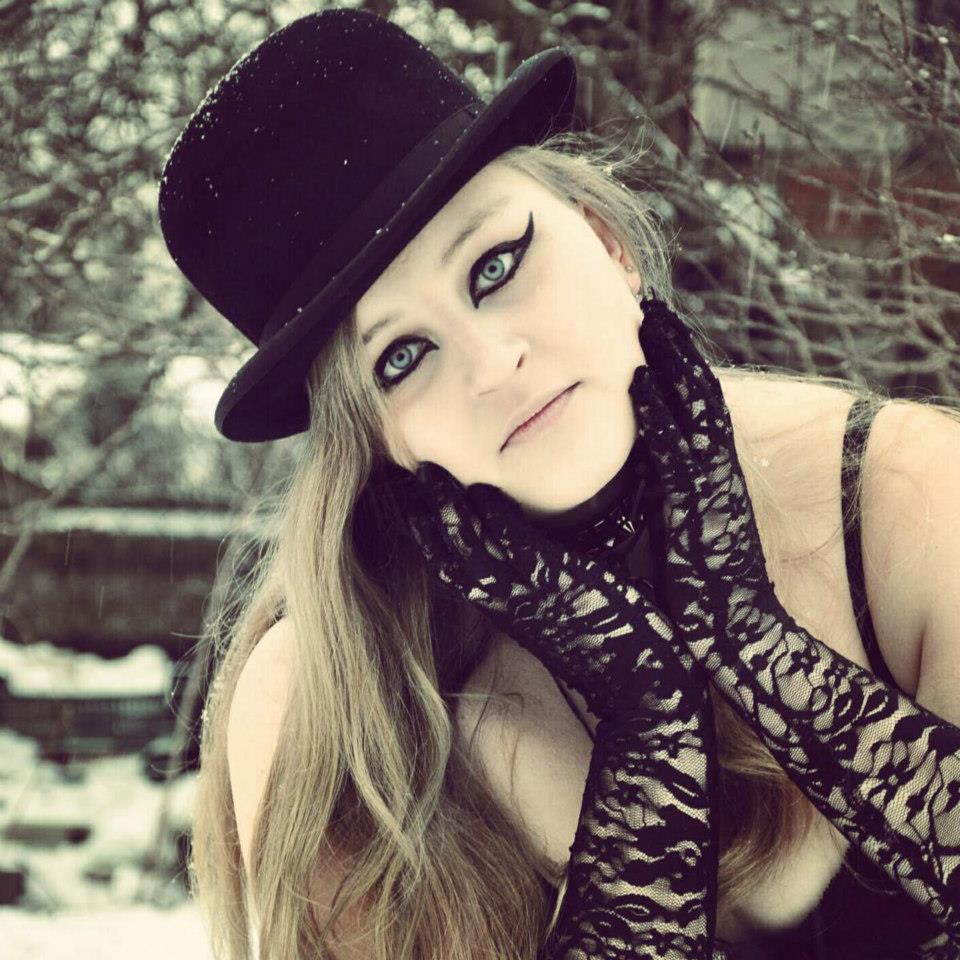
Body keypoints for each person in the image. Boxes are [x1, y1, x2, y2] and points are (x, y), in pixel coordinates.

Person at [157, 9, 960, 960]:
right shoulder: (327, 712)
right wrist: (648, 724)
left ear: (607, 243)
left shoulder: (902, 492)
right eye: (402, 356)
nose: (493, 361)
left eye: (496, 265)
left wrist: (761, 654)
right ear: (378, 440)